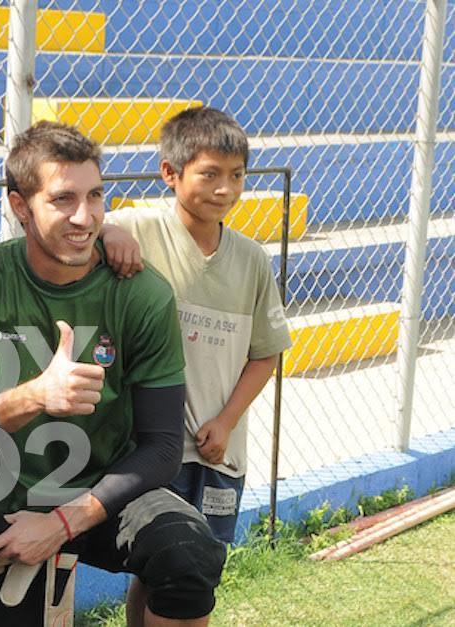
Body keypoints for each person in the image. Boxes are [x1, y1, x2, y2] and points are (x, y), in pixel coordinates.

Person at [0, 121, 226, 626]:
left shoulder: (141, 292)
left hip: (107, 494)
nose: (84, 217)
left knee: (186, 553)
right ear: (21, 207)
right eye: (63, 199)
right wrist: (35, 396)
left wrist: (64, 522)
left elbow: (162, 447)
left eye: (95, 196)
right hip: (8, 501)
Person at [100, 106, 292, 626]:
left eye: (236, 176)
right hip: (150, 446)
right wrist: (109, 232)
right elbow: (85, 222)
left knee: (195, 569)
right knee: (162, 565)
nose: (224, 189)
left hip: (216, 450)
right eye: (209, 174)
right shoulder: (139, 227)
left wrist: (226, 420)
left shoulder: (252, 259)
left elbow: (265, 351)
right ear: (170, 173)